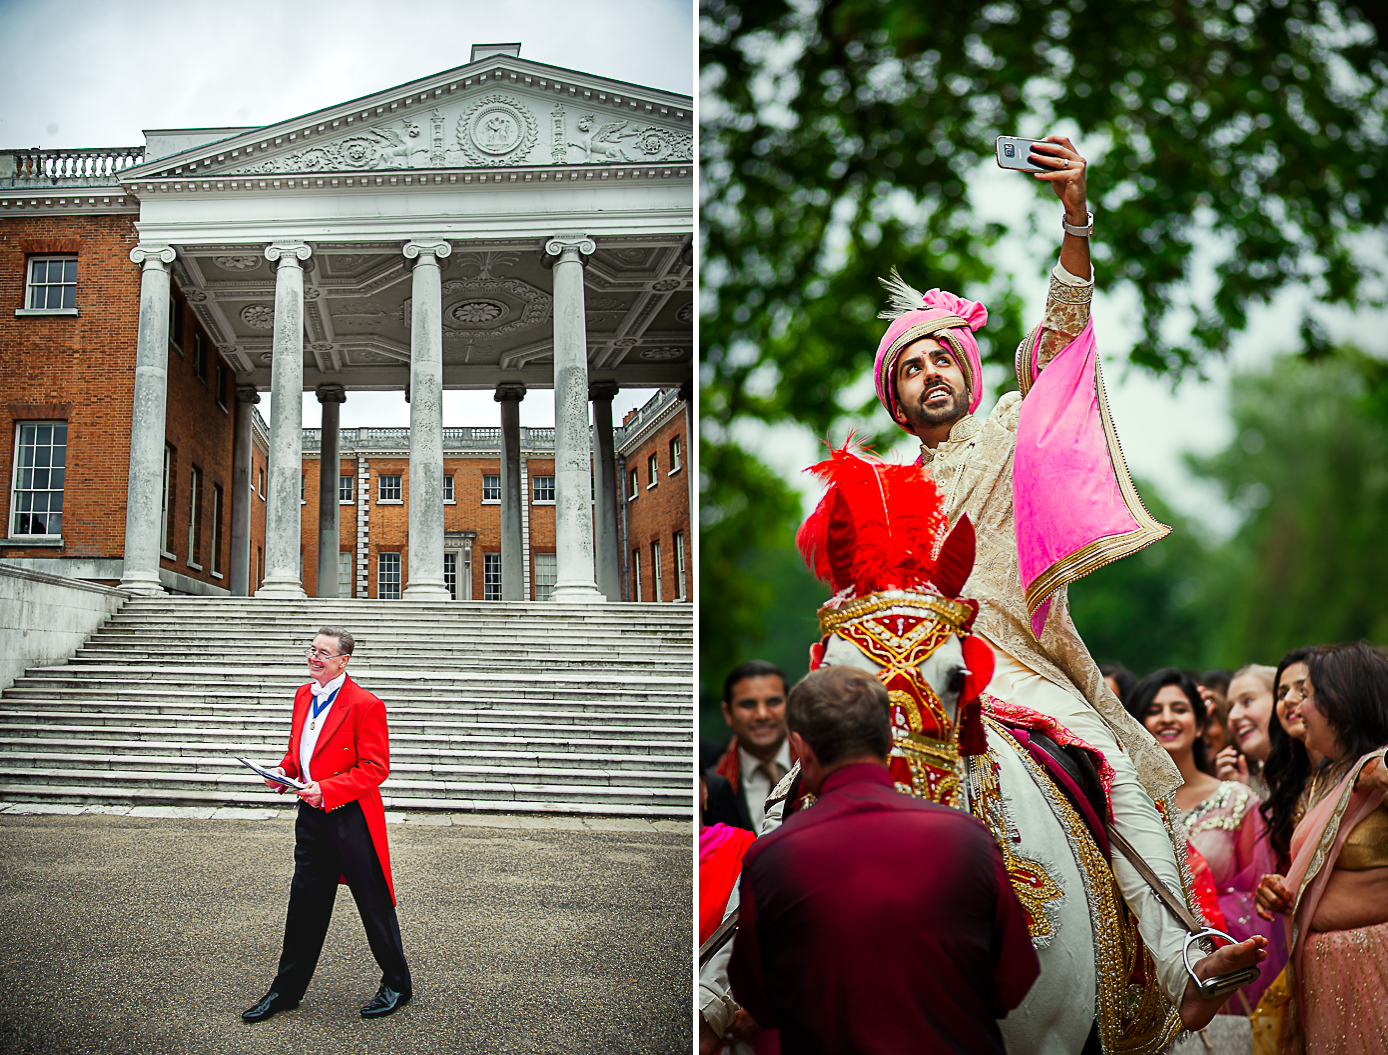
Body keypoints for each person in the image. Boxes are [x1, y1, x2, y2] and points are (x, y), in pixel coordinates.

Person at [866, 132, 1260, 1015]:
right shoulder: (882, 488)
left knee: (1118, 763)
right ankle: (726, 979)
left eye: (941, 356)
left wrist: (1075, 217)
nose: (931, 371)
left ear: (967, 372)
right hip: (904, 675)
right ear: (895, 396)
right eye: (911, 365)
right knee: (795, 785)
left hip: (1023, 667)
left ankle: (1181, 952)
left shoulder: (1012, 424)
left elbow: (1065, 332)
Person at [727, 666, 1040, 1054]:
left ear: (800, 747)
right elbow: (1016, 978)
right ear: (889, 738)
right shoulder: (969, 837)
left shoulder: (772, 857)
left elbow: (757, 995)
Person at [242, 627, 412, 1023]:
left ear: (343, 661)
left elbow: (375, 768)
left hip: (352, 817)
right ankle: (285, 991)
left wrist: (329, 789)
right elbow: (297, 751)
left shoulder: (366, 704)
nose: (314, 657)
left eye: (324, 652)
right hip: (312, 815)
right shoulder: (303, 694)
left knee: (373, 903)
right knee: (304, 903)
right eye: (312, 649)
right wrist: (282, 772)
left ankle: (397, 984)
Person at [1253, 642, 1388, 1053]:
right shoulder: (1320, 782)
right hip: (1323, 976)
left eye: (1307, 695)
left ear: (1342, 702)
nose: (1297, 707)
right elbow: (1318, 873)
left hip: (1376, 965)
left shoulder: (1379, 768)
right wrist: (1283, 890)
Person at [1128, 668, 1284, 1011]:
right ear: (1136, 724)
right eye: (1154, 711)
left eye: (1179, 709)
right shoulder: (1126, 807)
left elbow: (1263, 898)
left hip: (1227, 981)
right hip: (1146, 985)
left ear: (1200, 724)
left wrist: (1206, 919)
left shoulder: (1238, 800)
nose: (1167, 718)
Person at [1260, 647, 1323, 872]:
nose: (1288, 699)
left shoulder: (1369, 771)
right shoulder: (1291, 787)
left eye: (1302, 689)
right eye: (1281, 693)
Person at [711, 661, 792, 833]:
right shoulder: (711, 788)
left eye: (773, 702)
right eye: (748, 705)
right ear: (728, 713)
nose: (762, 714)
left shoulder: (818, 771)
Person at [1216, 664, 1278, 798]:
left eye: (1247, 701)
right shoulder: (1246, 785)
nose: (1233, 716)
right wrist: (1241, 798)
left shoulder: (1315, 771)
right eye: (1230, 708)